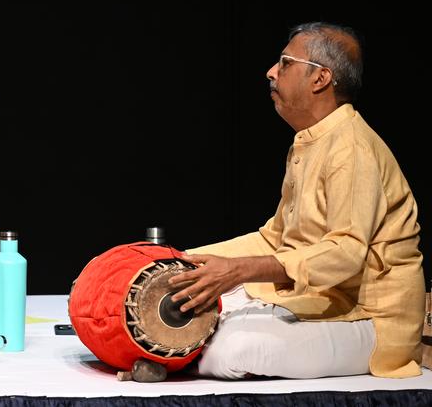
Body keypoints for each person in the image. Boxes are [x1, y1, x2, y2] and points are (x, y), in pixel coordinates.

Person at [169, 22, 424, 379]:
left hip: (372, 321)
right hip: (323, 301)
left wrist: (240, 270)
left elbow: (345, 251)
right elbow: (275, 238)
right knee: (195, 302)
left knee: (228, 350)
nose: (271, 72)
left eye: (285, 63)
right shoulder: (312, 141)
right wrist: (178, 262)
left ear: (320, 79)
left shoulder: (351, 148)